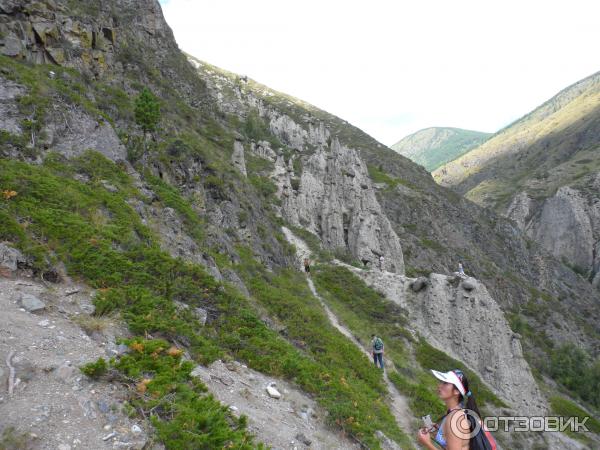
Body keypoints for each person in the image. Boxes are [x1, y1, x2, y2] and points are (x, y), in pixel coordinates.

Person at [417, 369, 496, 450]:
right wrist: (438, 432)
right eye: (441, 382)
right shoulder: (457, 412)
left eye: (445, 383)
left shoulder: (454, 419)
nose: (439, 386)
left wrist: (427, 443)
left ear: (456, 391)